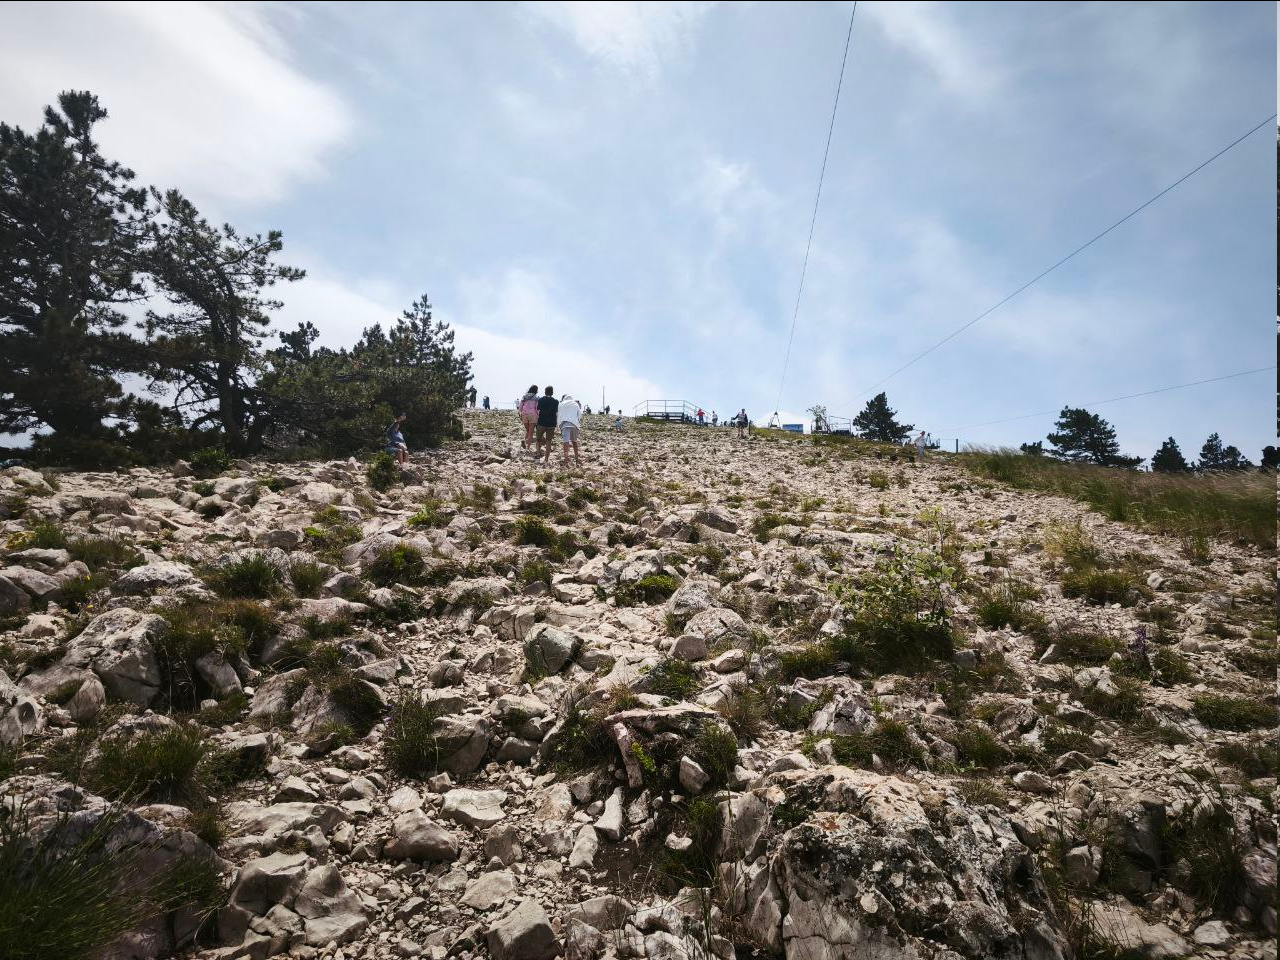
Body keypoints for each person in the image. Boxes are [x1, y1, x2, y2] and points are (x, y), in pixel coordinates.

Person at [558, 393, 583, 468]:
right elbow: (580, 414)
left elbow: (558, 415)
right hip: (574, 425)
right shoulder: (575, 403)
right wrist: (577, 422)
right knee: (574, 442)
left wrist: (559, 425)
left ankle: (566, 460)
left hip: (565, 424)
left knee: (566, 442)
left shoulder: (561, 404)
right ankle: (577, 460)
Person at [536, 385, 559, 462]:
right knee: (548, 441)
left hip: (541, 422)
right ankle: (546, 459)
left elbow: (538, 408)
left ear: (545, 392)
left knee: (539, 439)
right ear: (552, 392)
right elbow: (556, 411)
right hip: (551, 423)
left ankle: (538, 454)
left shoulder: (541, 400)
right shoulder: (556, 402)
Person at [519, 385, 539, 450]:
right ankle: (528, 447)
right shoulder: (537, 397)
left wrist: (520, 414)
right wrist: (538, 415)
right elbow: (536, 408)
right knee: (531, 432)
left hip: (524, 414)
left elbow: (520, 406)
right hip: (532, 414)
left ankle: (524, 441)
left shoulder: (524, 396)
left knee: (527, 430)